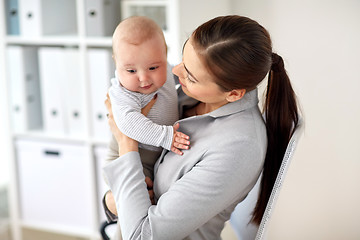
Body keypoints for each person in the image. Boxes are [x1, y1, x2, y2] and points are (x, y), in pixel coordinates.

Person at [103, 15, 299, 240]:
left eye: (191, 76)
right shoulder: (186, 95)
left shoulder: (238, 147)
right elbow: (117, 162)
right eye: (183, 60)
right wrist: (111, 202)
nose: (175, 71)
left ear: (233, 94)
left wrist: (127, 141)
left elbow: (141, 236)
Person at [103, 16, 190, 222]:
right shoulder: (122, 92)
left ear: (165, 54)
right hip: (134, 155)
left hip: (154, 152)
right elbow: (128, 123)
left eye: (153, 68)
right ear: (116, 62)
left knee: (143, 206)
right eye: (131, 70)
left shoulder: (166, 69)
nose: (143, 78)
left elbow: (178, 76)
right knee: (133, 207)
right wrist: (165, 136)